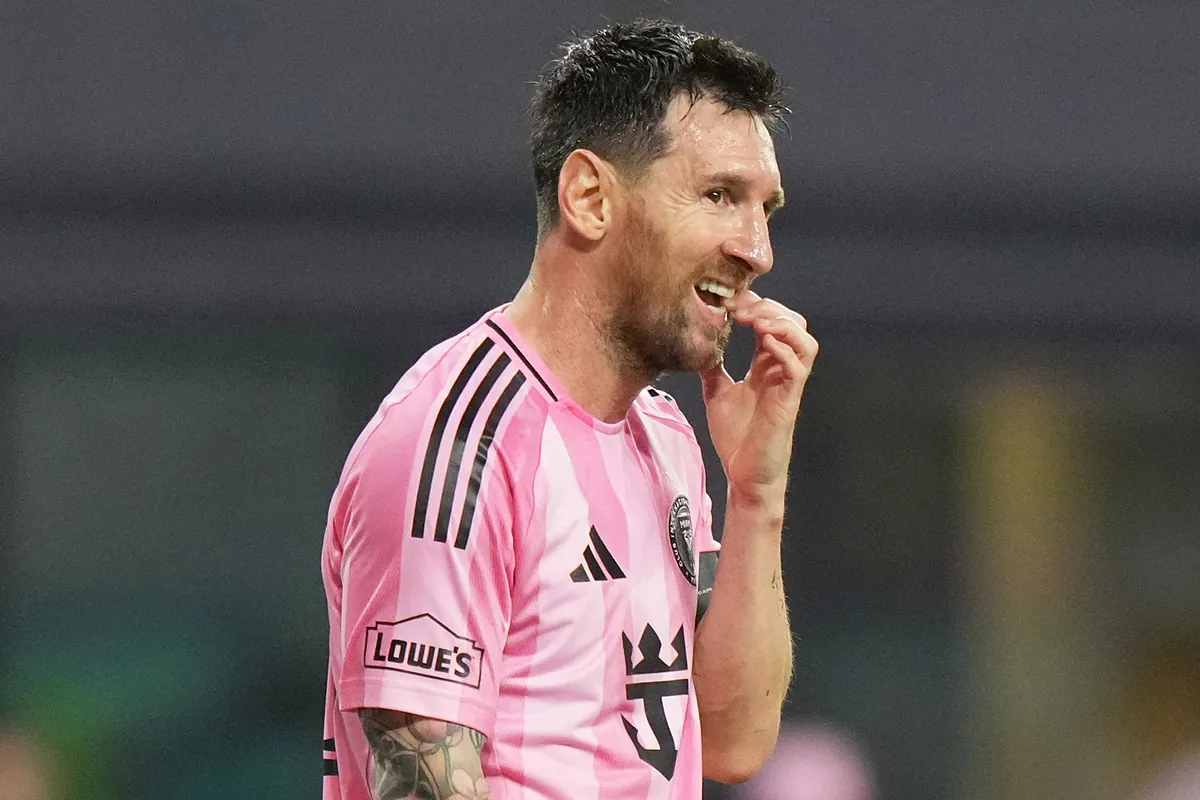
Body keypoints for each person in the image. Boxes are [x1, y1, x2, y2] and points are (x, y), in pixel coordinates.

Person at [321, 18, 818, 799]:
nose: (757, 249)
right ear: (589, 198)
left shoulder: (666, 437)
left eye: (766, 210)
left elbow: (732, 742)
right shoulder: (456, 449)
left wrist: (758, 496)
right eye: (720, 196)